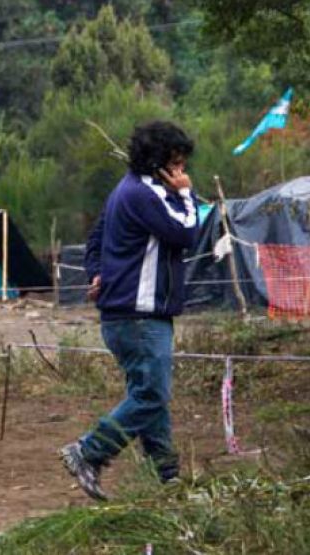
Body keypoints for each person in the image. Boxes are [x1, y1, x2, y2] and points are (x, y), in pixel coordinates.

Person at [60, 120, 199, 501]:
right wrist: (187, 196)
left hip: (128, 315)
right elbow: (186, 234)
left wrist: (97, 273)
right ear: (159, 162)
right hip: (140, 316)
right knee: (151, 396)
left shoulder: (124, 191)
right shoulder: (145, 195)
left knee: (148, 395)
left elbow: (95, 239)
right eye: (177, 162)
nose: (182, 171)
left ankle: (167, 477)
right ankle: (89, 451)